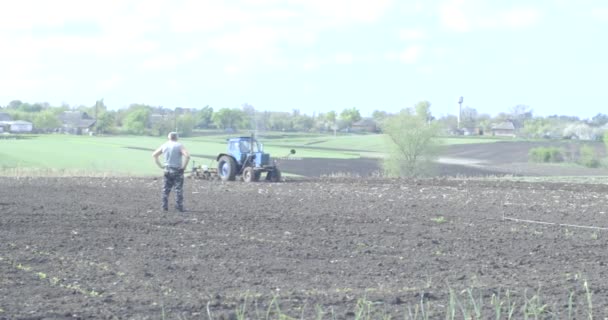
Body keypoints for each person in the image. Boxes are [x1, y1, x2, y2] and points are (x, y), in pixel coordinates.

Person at [152, 132, 190, 212]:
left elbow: (154, 155)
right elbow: (187, 156)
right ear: (177, 138)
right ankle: (179, 207)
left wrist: (160, 166)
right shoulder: (179, 145)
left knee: (165, 189)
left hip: (167, 170)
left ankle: (164, 207)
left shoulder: (165, 145)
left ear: (169, 137)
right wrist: (184, 167)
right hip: (177, 170)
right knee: (178, 189)